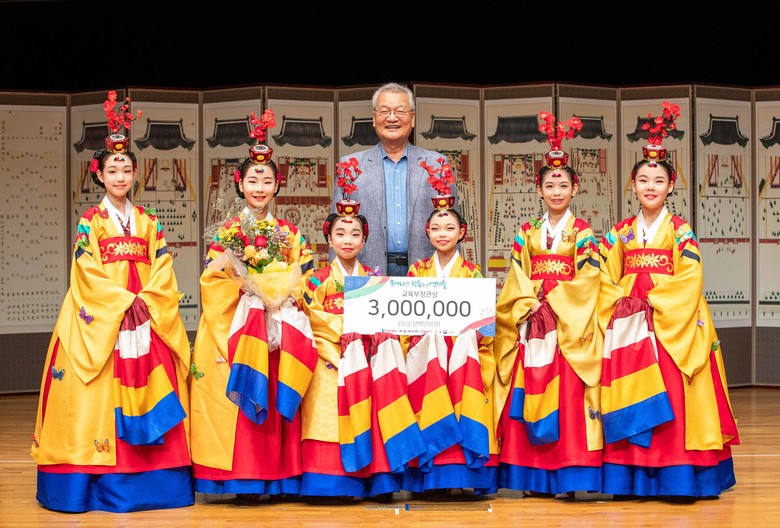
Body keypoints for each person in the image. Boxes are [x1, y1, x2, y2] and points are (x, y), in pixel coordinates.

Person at [31, 91, 194, 513]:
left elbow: (163, 267)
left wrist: (146, 302)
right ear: (99, 176)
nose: (119, 176)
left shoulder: (149, 222)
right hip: (105, 317)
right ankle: (90, 484)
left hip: (145, 315)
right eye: (112, 170)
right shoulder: (91, 221)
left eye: (126, 169)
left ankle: (159, 484)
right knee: (91, 395)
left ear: (135, 173)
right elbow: (85, 268)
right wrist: (121, 303)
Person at [597, 102, 739, 499]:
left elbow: (691, 274)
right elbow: (603, 276)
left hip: (670, 318)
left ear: (671, 186)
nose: (650, 187)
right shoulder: (620, 233)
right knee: (633, 389)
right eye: (643, 180)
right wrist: (623, 304)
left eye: (658, 181)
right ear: (633, 185)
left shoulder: (681, 231)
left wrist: (655, 303)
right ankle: (632, 477)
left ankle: (679, 476)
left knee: (677, 388)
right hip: (630, 318)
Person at [189, 109, 317, 502]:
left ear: (277, 185)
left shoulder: (289, 232)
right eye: (252, 181)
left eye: (266, 181)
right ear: (240, 184)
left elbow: (307, 272)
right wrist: (249, 293)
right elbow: (212, 278)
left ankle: (278, 478)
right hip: (241, 325)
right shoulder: (228, 234)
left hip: (277, 326)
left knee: (277, 394)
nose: (259, 188)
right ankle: (242, 478)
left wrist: (282, 295)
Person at [493, 111, 603, 498]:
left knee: (568, 396)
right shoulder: (527, 233)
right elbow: (516, 275)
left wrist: (556, 303)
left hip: (567, 322)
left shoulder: (583, 232)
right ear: (538, 190)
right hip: (533, 318)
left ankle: (569, 477)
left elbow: (590, 277)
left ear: (575, 189)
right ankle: (532, 478)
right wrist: (529, 305)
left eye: (563, 185)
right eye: (550, 185)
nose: (556, 191)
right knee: (530, 390)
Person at [300, 166, 416, 500]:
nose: (347, 241)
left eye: (354, 235)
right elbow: (312, 318)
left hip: (366, 355)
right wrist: (344, 338)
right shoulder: (318, 280)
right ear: (329, 239)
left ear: (364, 240)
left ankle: (377, 480)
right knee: (326, 391)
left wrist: (371, 340)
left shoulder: (373, 278)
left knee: (379, 391)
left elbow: (386, 321)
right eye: (340, 234)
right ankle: (331, 482)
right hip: (331, 354)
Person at [401, 172, 498, 496]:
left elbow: (485, 325)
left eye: (450, 228)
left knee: (463, 398)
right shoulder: (417, 271)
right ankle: (430, 476)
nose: (443, 234)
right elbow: (406, 321)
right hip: (428, 354)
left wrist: (463, 338)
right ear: (427, 231)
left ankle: (463, 474)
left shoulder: (472, 273)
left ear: (462, 232)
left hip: (461, 353)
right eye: (437, 228)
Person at [330, 82, 458, 276]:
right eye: (384, 111)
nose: (391, 118)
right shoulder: (350, 167)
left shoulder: (437, 164)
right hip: (366, 271)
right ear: (374, 118)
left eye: (400, 111)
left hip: (426, 271)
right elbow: (335, 228)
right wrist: (336, 280)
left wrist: (456, 278)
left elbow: (454, 225)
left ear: (412, 118)